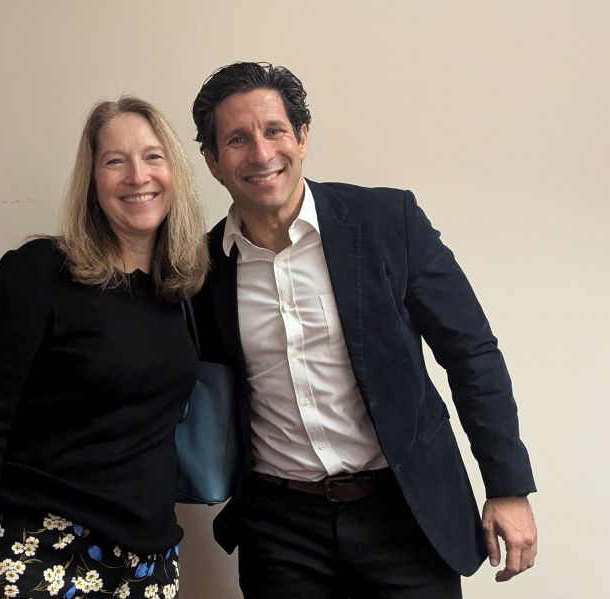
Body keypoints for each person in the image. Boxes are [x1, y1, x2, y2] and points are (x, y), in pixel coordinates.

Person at [190, 62, 538, 598]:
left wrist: (508, 487)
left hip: (404, 513)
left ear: (303, 138)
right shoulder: (203, 269)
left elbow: (471, 352)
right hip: (280, 530)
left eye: (275, 130)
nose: (261, 154)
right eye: (236, 140)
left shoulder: (387, 221)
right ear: (213, 162)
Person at [0, 96, 208, 599]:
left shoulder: (182, 289)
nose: (137, 175)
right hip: (43, 547)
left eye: (153, 156)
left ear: (175, 172)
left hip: (151, 560)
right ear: (92, 183)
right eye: (114, 161)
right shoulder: (38, 272)